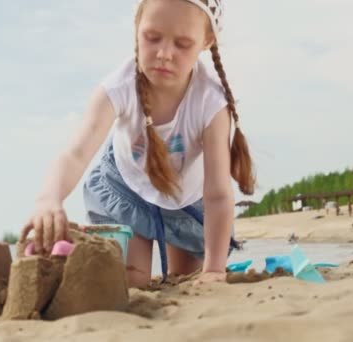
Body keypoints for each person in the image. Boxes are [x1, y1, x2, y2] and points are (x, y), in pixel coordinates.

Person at [20, 0, 255, 288]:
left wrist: (215, 269)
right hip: (127, 186)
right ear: (137, 27)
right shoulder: (118, 88)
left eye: (182, 44)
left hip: (186, 198)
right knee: (132, 280)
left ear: (206, 41)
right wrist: (48, 199)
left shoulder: (211, 103)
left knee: (188, 277)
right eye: (152, 37)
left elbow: (218, 194)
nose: (164, 54)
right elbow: (75, 154)